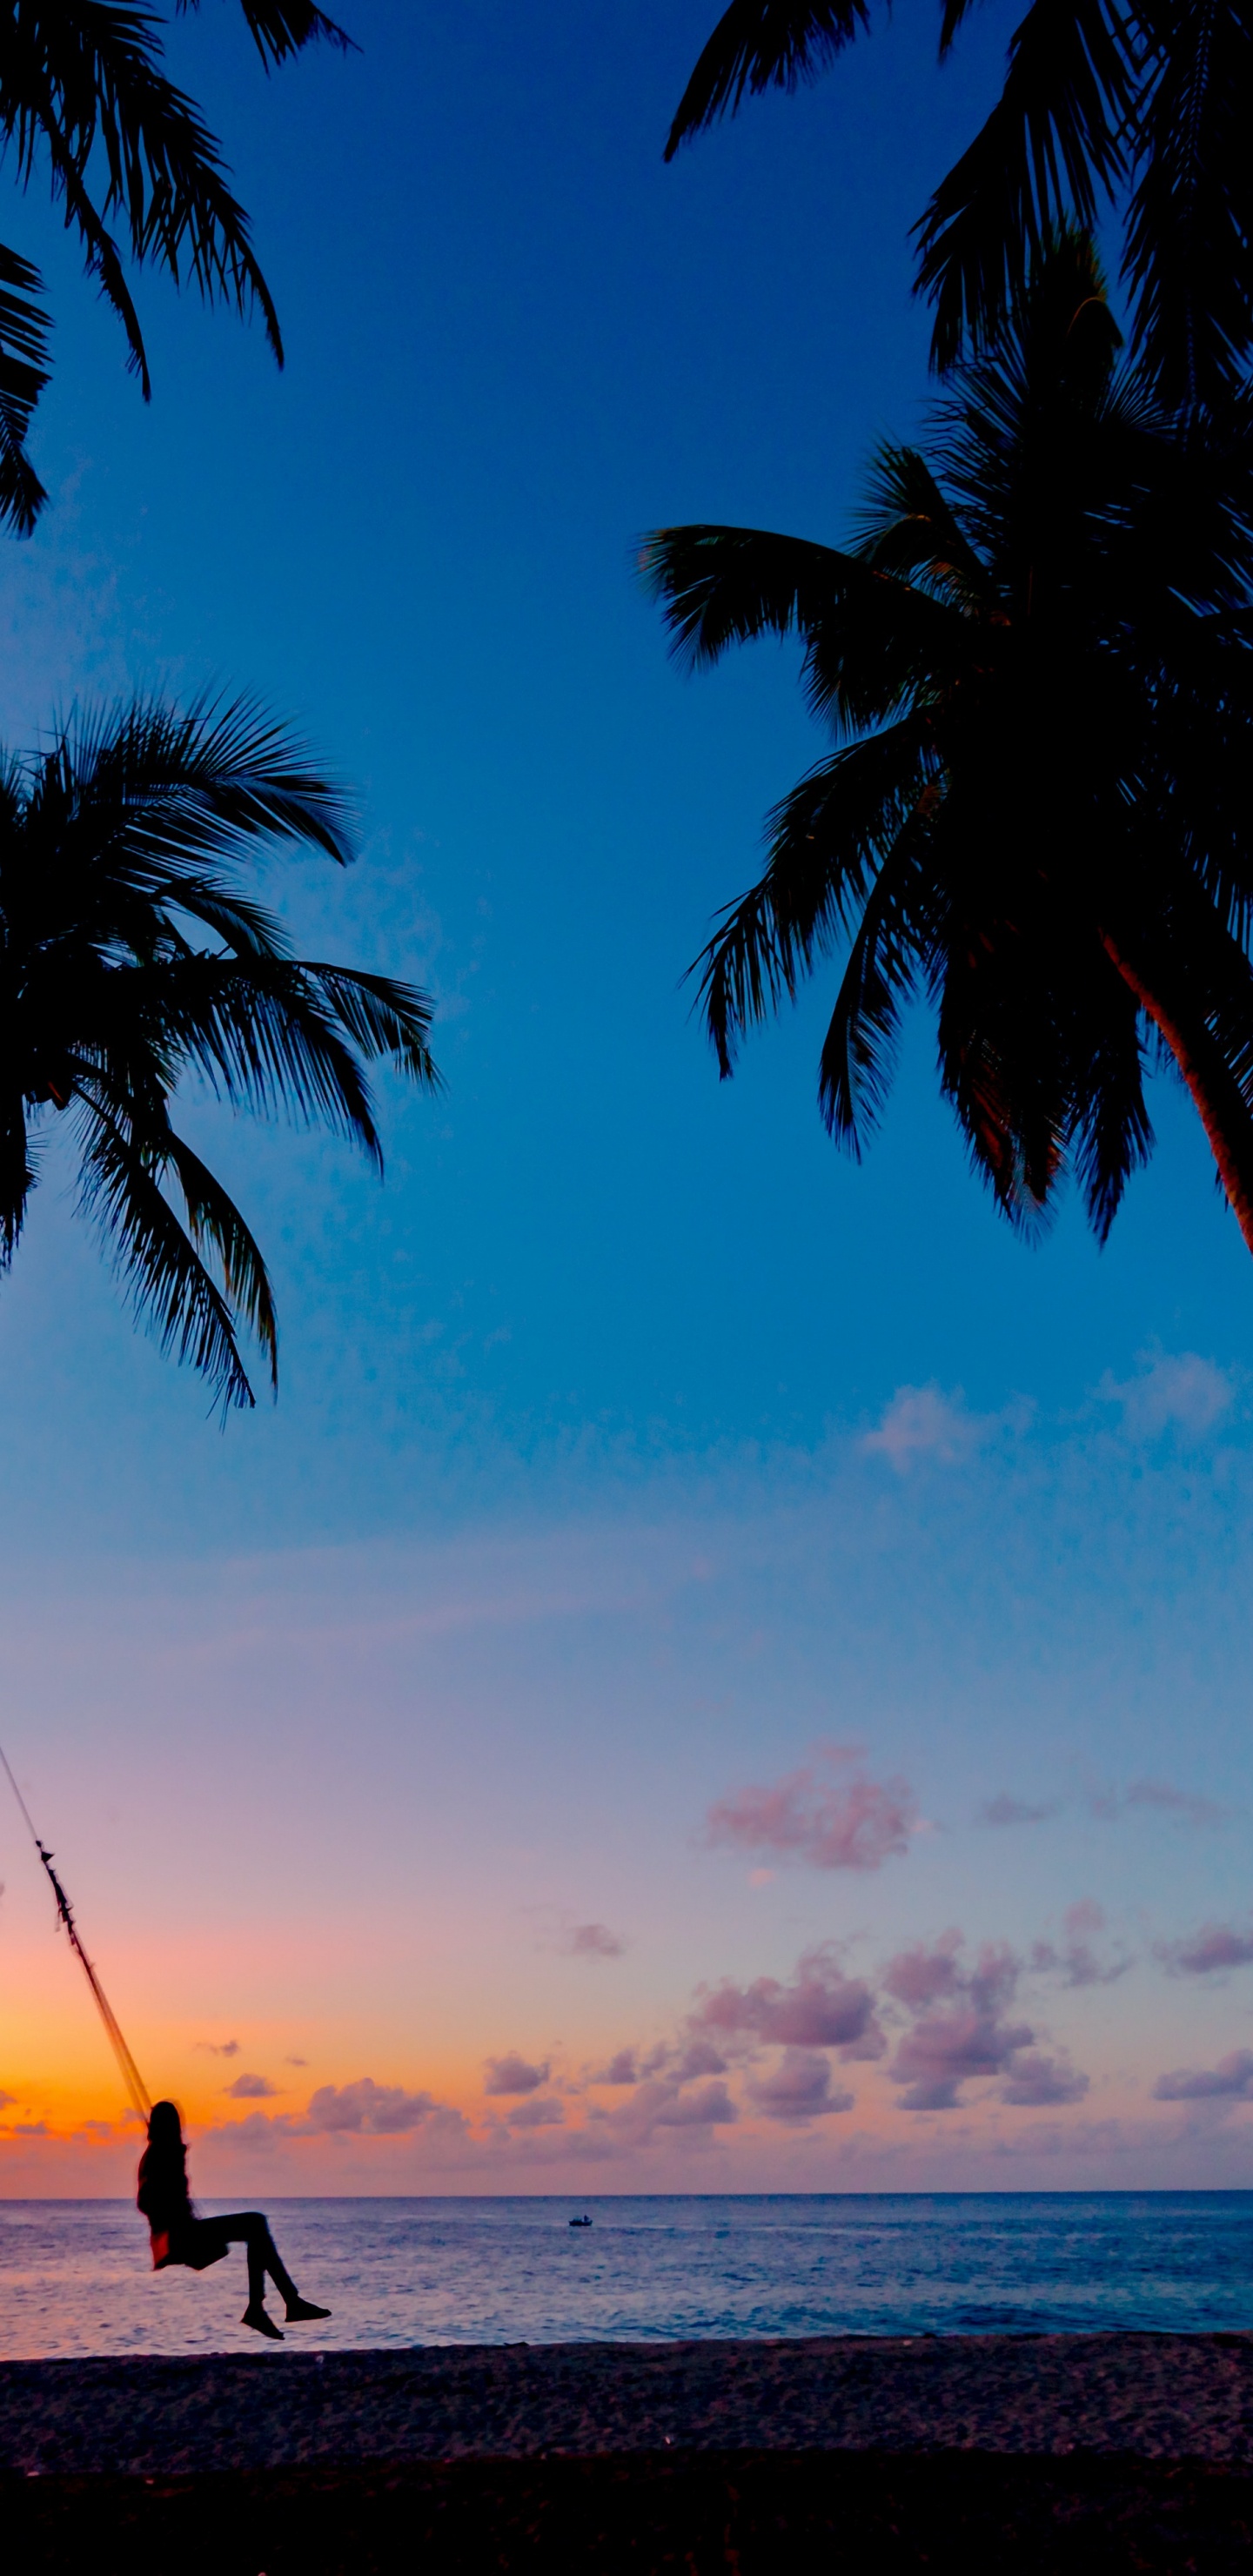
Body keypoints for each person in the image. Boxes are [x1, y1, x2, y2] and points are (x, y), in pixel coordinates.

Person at [137, 2099, 331, 2341]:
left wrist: (175, 2165)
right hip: (177, 2238)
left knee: (255, 2228)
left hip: (182, 2233)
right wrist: (172, 2189)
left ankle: (274, 2306)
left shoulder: (164, 2154)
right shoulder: (158, 2156)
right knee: (255, 2224)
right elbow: (145, 2201)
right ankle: (277, 2305)